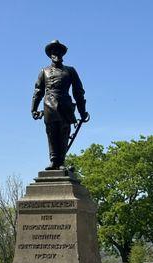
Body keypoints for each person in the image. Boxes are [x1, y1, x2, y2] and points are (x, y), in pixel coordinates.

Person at [31, 40, 88, 170]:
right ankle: (53, 160)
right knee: (51, 133)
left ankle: (61, 161)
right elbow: (38, 91)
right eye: (53, 51)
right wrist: (33, 109)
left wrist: (82, 111)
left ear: (62, 54)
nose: (56, 53)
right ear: (50, 54)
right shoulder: (43, 71)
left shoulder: (70, 71)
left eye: (58, 51)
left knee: (63, 132)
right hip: (49, 105)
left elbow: (78, 92)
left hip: (65, 106)